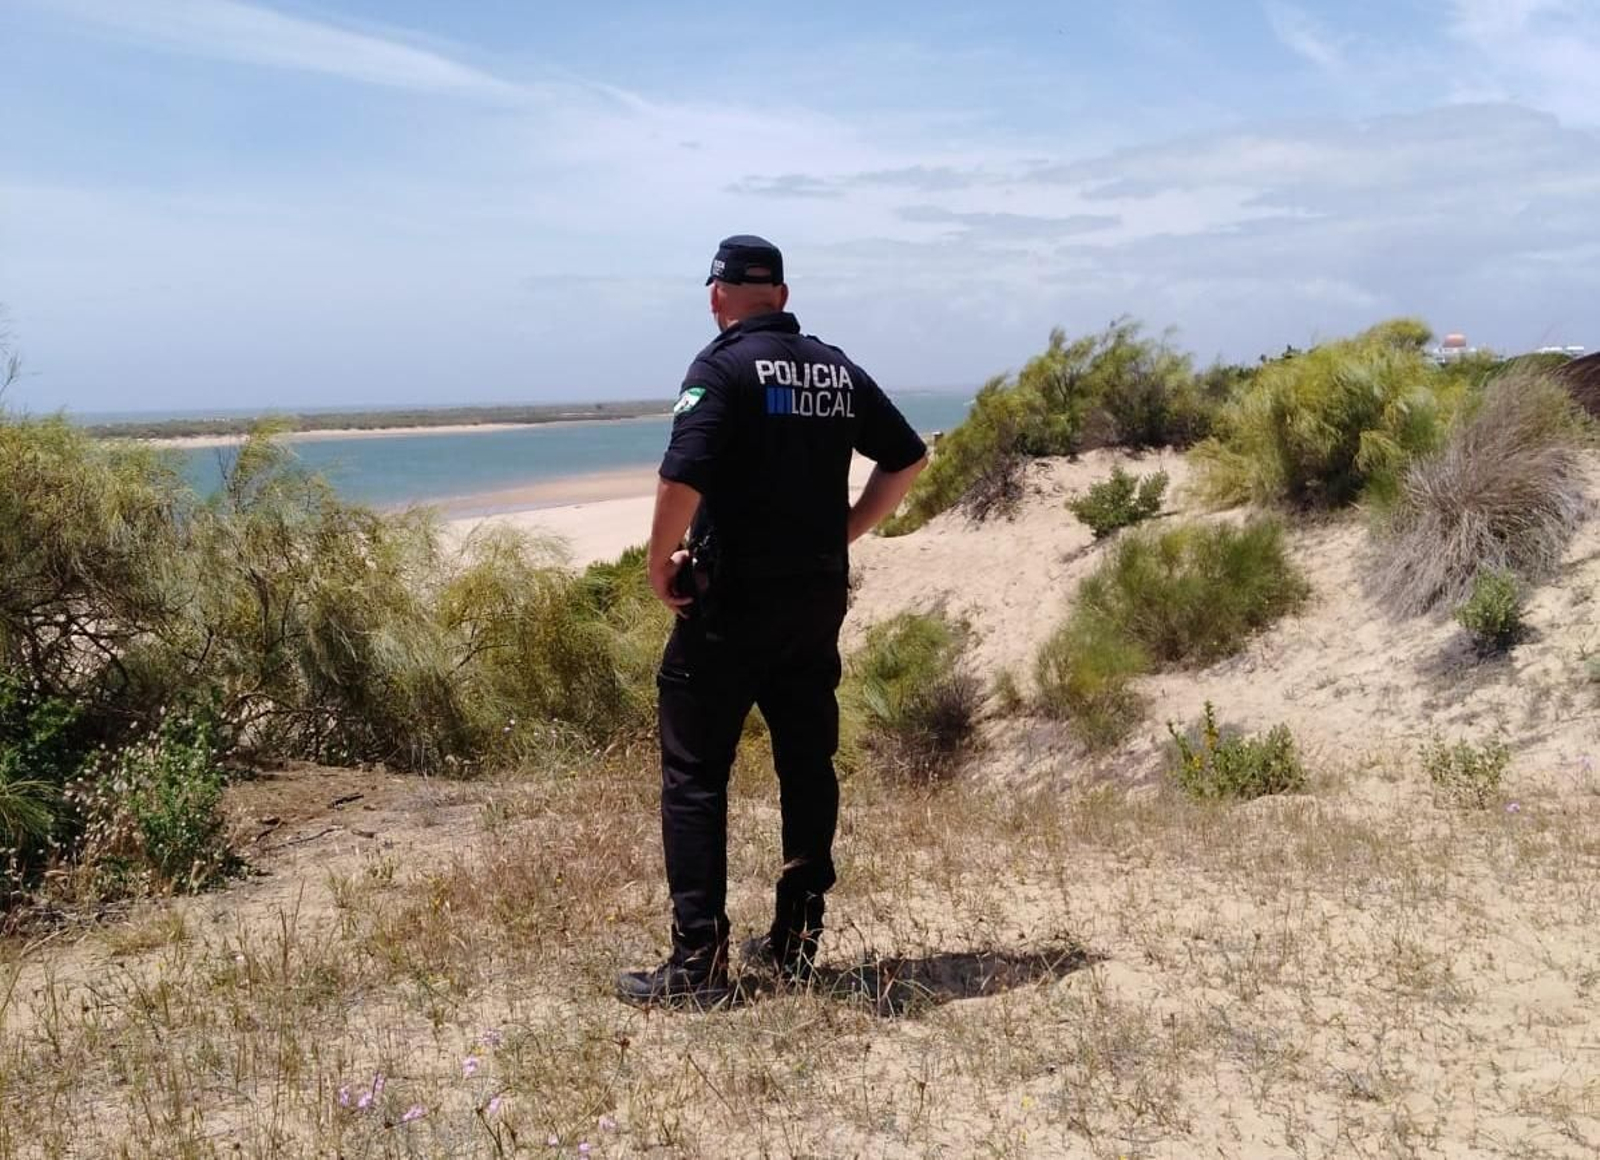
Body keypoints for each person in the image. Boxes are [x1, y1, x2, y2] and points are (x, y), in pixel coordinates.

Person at [616, 235, 928, 1008]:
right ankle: (795, 943)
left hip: (731, 605)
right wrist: (843, 532)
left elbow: (681, 475)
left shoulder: (719, 366)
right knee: (805, 764)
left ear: (718, 296)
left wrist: (660, 565)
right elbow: (908, 459)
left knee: (694, 776)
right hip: (813, 603)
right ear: (781, 298)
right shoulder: (834, 368)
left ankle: (698, 964)